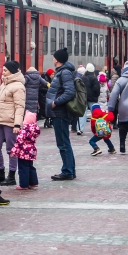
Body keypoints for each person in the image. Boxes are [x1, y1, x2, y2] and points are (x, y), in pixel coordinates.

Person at [0, 61, 26, 187]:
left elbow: (19, 106)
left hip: (10, 122)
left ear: (12, 71)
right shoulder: (4, 84)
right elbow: (3, 101)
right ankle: (0, 173)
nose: (3, 72)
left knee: (11, 150)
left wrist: (17, 124)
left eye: (5, 70)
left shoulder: (18, 86)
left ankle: (11, 176)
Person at [46, 48, 77, 180]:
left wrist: (55, 103)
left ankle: (68, 171)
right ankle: (69, 169)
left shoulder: (64, 73)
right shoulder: (63, 72)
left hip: (61, 112)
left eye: (54, 57)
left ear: (57, 60)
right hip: (59, 112)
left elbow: (70, 92)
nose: (52, 59)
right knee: (64, 142)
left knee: (63, 143)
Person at [10, 111, 41, 190]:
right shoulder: (34, 129)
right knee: (30, 166)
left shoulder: (24, 130)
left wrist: (13, 151)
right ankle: (33, 182)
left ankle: (24, 184)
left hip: (24, 151)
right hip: (31, 150)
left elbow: (19, 142)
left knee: (23, 168)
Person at [81, 64, 100, 134]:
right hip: (92, 99)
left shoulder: (83, 78)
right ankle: (98, 128)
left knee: (82, 114)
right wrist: (95, 96)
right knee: (96, 114)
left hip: (84, 98)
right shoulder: (94, 79)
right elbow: (97, 89)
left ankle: (80, 128)